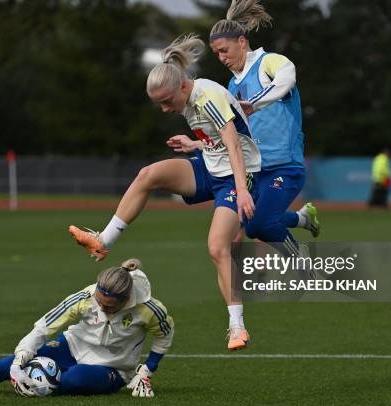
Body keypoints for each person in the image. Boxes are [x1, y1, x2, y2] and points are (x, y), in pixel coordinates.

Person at [70, 33, 260, 351]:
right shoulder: (189, 98)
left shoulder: (205, 96)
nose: (164, 109)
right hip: (210, 167)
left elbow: (234, 146)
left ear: (183, 86)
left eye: (167, 101)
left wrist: (242, 191)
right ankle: (103, 241)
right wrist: (194, 143)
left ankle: (237, 326)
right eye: (159, 103)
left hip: (238, 177)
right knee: (149, 175)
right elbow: (222, 133)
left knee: (217, 247)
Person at [0, 259, 172, 398]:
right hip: (71, 348)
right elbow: (44, 326)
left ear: (124, 300)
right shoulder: (85, 298)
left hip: (113, 368)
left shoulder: (148, 309)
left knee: (75, 379)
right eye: (99, 300)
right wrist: (21, 360)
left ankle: (41, 385)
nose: (101, 306)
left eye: (108, 306)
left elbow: (164, 335)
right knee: (8, 363)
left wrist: (147, 370)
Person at [204, 0, 319, 249]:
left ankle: (302, 262)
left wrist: (253, 104)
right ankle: (302, 219)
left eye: (225, 50)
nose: (222, 58)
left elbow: (287, 75)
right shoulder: (232, 85)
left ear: (242, 42)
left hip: (284, 167)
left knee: (260, 225)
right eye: (217, 54)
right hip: (255, 172)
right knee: (248, 223)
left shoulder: (267, 62)